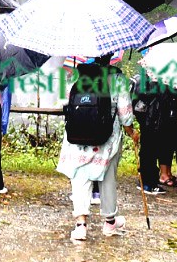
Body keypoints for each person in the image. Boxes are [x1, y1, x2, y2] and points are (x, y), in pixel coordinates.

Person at [57, 55, 136, 242]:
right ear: (110, 57)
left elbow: (63, 102)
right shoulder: (117, 78)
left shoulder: (75, 76)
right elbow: (125, 114)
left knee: (79, 177)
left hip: (78, 136)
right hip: (107, 138)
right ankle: (110, 222)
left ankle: (81, 226)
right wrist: (132, 131)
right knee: (107, 178)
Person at [135, 66, 172, 195]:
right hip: (154, 121)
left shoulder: (142, 79)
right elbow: (162, 102)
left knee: (146, 151)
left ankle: (145, 181)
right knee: (150, 152)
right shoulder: (156, 83)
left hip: (147, 121)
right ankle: (149, 184)